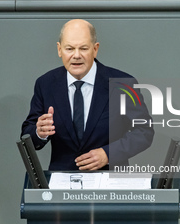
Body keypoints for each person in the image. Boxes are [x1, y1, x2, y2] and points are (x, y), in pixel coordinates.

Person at [21, 19, 154, 171]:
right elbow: (27, 135)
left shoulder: (123, 84)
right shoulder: (45, 84)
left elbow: (144, 131)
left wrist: (108, 154)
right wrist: (39, 132)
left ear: (95, 49)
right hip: (62, 183)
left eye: (83, 48)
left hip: (110, 182)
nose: (76, 55)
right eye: (69, 49)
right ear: (59, 50)